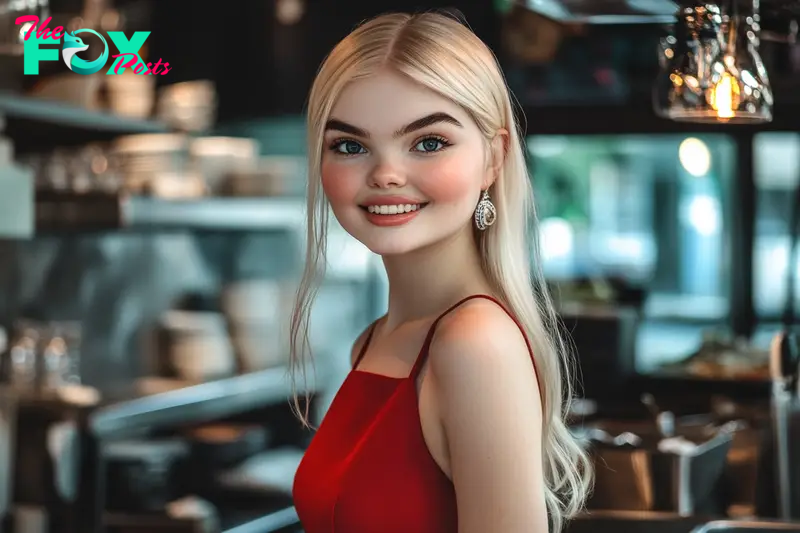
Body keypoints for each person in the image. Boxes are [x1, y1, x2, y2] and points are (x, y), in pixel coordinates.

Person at [290, 11, 592, 533]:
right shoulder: (377, 340)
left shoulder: (474, 344)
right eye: (350, 145)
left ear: (493, 158)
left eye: (428, 142)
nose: (385, 174)